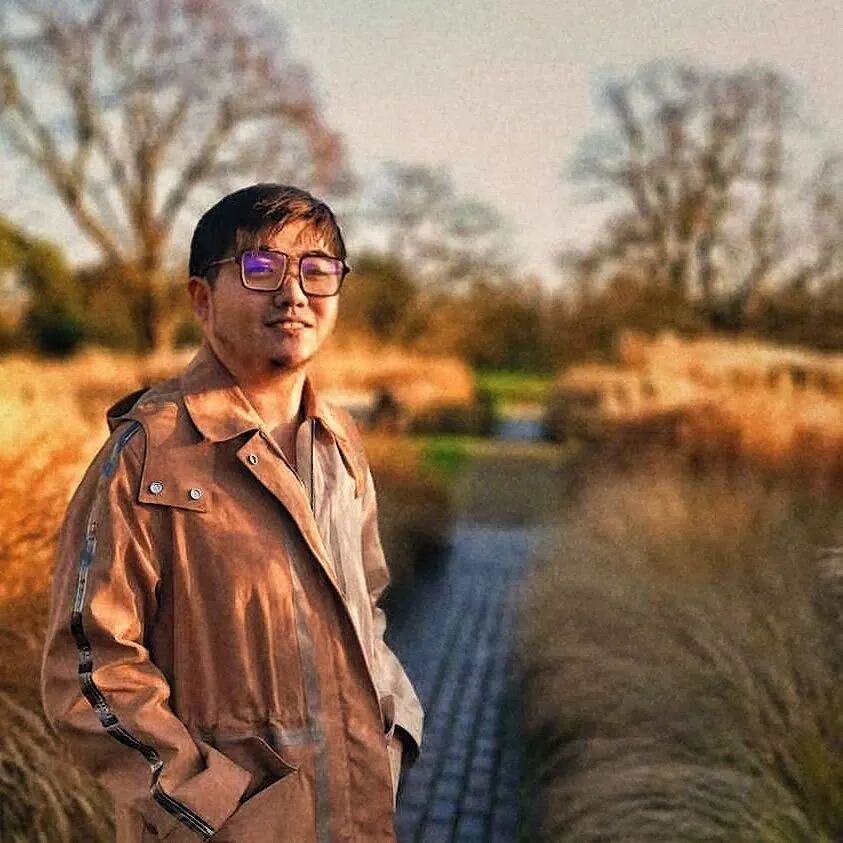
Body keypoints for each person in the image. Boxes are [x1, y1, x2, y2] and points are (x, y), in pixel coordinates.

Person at [41, 184, 424, 842]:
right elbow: (89, 669)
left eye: (317, 269)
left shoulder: (338, 442)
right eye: (261, 267)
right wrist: (212, 807)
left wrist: (396, 733)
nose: (293, 293)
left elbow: (368, 606)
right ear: (202, 298)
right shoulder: (148, 454)